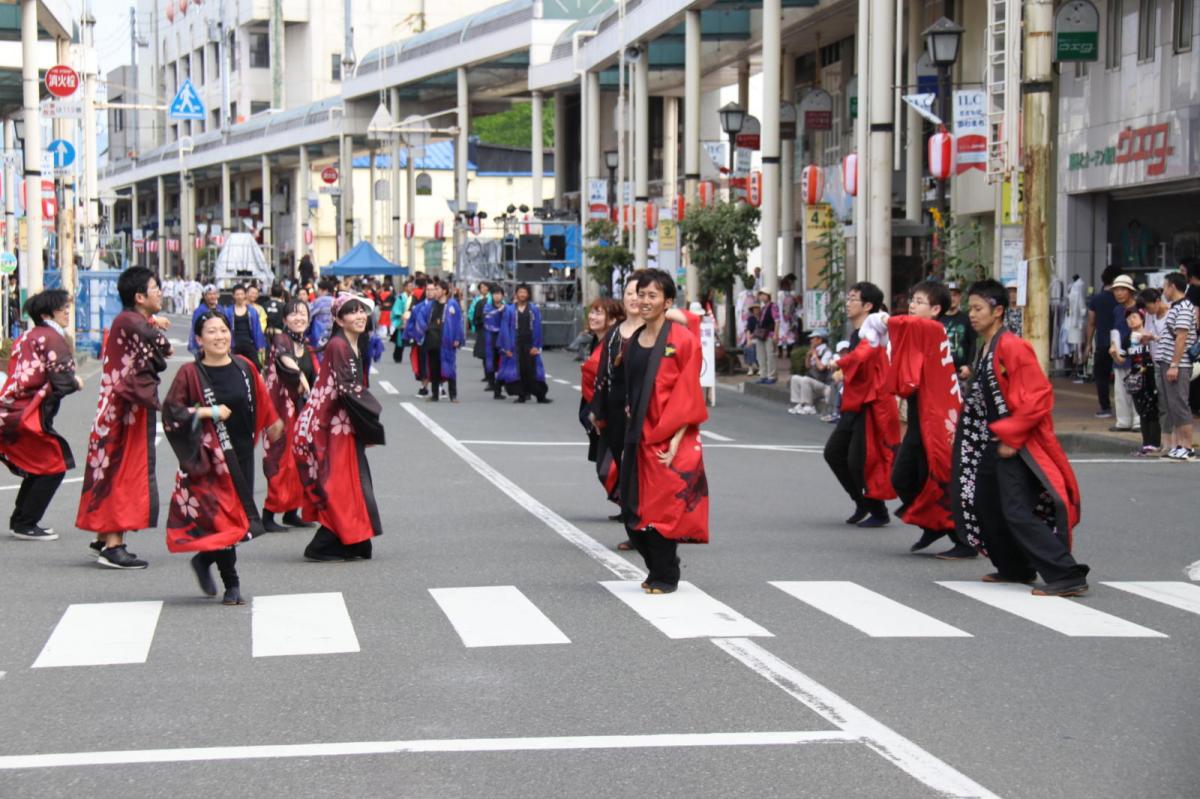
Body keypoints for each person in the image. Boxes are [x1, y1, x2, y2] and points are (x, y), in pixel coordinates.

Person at [951, 279, 1088, 596]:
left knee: (1015, 509)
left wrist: (1013, 436)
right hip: (994, 439)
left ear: (998, 311)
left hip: (1017, 441)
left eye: (978, 308)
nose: (972, 314)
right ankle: (1014, 567)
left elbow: (1038, 394)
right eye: (971, 308)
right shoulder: (986, 345)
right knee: (984, 502)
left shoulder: (1012, 345)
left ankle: (1067, 573)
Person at [163, 311, 283, 605]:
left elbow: (262, 401)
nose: (219, 336)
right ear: (199, 339)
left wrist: (273, 424)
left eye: (223, 330)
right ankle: (233, 584)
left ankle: (205, 560)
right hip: (208, 458)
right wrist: (207, 412)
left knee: (235, 518)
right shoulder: (190, 374)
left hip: (240, 450)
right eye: (212, 332)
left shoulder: (245, 367)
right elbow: (171, 412)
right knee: (224, 519)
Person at [76, 267, 173, 569]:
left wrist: (152, 321)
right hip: (123, 413)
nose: (160, 292)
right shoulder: (133, 322)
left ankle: (104, 536)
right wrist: (155, 324)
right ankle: (114, 545)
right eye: (155, 288)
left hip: (116, 409)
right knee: (123, 473)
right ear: (140, 296)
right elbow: (163, 348)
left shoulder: (127, 320)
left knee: (110, 472)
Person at [618, 270, 707, 593]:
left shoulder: (682, 341)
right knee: (631, 509)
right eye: (640, 294)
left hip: (669, 437)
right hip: (636, 434)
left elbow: (688, 395)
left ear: (668, 303)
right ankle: (659, 567)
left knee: (661, 510)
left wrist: (676, 440)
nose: (643, 301)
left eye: (652, 296)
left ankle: (665, 574)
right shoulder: (634, 340)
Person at [886, 281, 974, 559]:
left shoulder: (932, 329)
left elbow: (896, 324)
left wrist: (881, 319)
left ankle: (962, 539)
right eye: (913, 299)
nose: (912, 305)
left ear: (936, 310)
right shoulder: (922, 331)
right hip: (921, 418)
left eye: (920, 302)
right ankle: (933, 524)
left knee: (932, 479)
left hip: (933, 421)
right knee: (909, 478)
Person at [293, 294, 385, 561]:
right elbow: (348, 389)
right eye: (352, 312)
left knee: (351, 482)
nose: (359, 316)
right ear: (337, 319)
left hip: (342, 421)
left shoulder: (354, 343)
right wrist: (372, 418)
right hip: (331, 424)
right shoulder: (338, 344)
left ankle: (352, 539)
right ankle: (327, 543)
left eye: (362, 311)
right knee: (340, 484)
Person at [0, 289, 83, 540]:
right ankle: (25, 522)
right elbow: (63, 380)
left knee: (41, 465)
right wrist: (76, 382)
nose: (67, 312)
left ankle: (22, 519)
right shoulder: (51, 337)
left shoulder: (28, 335)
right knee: (53, 464)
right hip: (25, 415)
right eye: (62, 309)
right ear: (48, 314)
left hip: (11, 410)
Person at [822, 282, 899, 528]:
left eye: (853, 298)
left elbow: (864, 355)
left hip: (871, 403)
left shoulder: (874, 328)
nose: (848, 302)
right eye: (848, 297)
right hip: (854, 402)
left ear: (868, 305)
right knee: (834, 452)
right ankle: (862, 502)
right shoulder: (857, 332)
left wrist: (840, 364)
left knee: (859, 460)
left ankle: (878, 510)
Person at [262, 298, 318, 532]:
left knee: (301, 461)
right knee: (280, 461)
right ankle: (268, 513)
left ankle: (291, 512)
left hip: (301, 413)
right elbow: (286, 361)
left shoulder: (307, 345)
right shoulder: (280, 340)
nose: (299, 318)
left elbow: (318, 373)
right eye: (293, 314)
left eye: (303, 313)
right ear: (284, 319)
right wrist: (303, 379)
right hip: (280, 412)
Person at [580, 297, 625, 510]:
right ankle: (628, 508)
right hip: (596, 411)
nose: (592, 316)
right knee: (606, 466)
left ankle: (631, 508)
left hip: (610, 413)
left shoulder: (615, 342)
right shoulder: (598, 341)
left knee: (608, 468)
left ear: (613, 318)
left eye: (599, 313)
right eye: (592, 312)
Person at [1157, 272, 1196, 461]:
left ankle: (1187, 446)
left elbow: (1181, 337)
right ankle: (1179, 444)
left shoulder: (1184, 308)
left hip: (1178, 364)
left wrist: (1174, 364)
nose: (1163, 290)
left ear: (1172, 286)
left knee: (1180, 404)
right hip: (1170, 362)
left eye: (1165, 286)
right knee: (1173, 405)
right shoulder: (1176, 307)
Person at [1116, 304, 1160, 456]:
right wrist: (1114, 354)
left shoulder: (1150, 334)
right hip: (1136, 378)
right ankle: (1146, 443)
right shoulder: (1127, 338)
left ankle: (1155, 444)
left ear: (1142, 318)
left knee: (1153, 409)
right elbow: (1122, 359)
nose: (1131, 321)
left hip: (1151, 376)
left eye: (1134, 317)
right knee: (1141, 410)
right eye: (1128, 319)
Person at [411, 281, 466, 403]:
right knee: (434, 369)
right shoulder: (431, 305)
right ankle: (435, 394)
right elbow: (420, 316)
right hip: (432, 340)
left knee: (450, 368)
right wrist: (425, 328)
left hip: (447, 341)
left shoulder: (452, 304)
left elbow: (458, 322)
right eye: (434, 289)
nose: (434, 291)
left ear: (444, 291)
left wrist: (457, 338)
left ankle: (453, 395)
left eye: (437, 289)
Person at [498, 283, 551, 403]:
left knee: (534, 370)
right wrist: (507, 348)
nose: (522, 294)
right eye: (520, 292)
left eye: (525, 292)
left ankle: (540, 395)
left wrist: (536, 346)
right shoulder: (510, 310)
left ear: (528, 294)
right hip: (515, 344)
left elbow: (538, 328)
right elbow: (504, 329)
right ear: (516, 294)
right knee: (518, 370)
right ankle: (521, 395)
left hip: (530, 344)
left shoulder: (534, 309)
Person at [1085, 266, 1122, 419]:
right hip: (1122, 343)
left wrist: (1088, 344)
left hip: (1102, 342)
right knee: (1125, 376)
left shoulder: (1096, 299)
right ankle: (1127, 411)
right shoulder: (1122, 299)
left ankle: (1105, 407)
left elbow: (1091, 322)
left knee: (1102, 376)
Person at [1107, 274, 1141, 433]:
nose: (1118, 293)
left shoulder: (1139, 308)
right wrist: (1113, 347)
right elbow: (1116, 331)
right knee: (1120, 390)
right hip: (1119, 353)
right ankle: (1123, 421)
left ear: (1130, 291)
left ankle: (1138, 420)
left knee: (1136, 387)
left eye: (1122, 289)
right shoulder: (1116, 310)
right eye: (1116, 290)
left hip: (1136, 352)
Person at [788, 328, 834, 415]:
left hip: (824, 384)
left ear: (820, 339)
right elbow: (808, 367)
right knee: (795, 378)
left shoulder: (827, 352)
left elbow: (821, 368)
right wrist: (808, 356)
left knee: (805, 380)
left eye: (813, 338)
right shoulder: (815, 350)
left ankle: (809, 406)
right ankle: (800, 403)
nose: (811, 340)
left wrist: (815, 356)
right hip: (814, 381)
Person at [222, 284, 266, 370]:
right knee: (232, 367)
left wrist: (260, 345)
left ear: (245, 295)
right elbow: (225, 328)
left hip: (249, 343)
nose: (239, 296)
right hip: (234, 344)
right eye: (237, 294)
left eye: (241, 294)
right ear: (233, 296)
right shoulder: (228, 311)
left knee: (256, 367)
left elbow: (257, 329)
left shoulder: (252, 311)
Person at [941, 282, 977, 383]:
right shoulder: (937, 319)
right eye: (949, 295)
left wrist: (969, 366)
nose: (952, 298)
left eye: (955, 295)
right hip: (940, 370)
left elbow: (973, 345)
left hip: (961, 372)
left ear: (960, 297)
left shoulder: (967, 319)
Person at [753, 290, 779, 384]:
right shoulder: (763, 308)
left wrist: (776, 334)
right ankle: (763, 375)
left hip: (769, 334)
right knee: (761, 356)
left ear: (768, 295)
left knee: (770, 356)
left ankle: (771, 376)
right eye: (760, 295)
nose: (761, 297)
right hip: (761, 335)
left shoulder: (773, 306)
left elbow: (777, 320)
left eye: (763, 295)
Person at [484, 285, 506, 397]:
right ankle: (491, 383)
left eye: (499, 294)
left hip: (503, 336)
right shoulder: (488, 307)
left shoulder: (507, 307)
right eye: (495, 294)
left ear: (503, 295)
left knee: (503, 360)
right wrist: (498, 310)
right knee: (491, 360)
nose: (497, 296)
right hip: (491, 336)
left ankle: (502, 384)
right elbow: (487, 317)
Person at [188, 284, 221, 355]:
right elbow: (195, 329)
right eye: (209, 294)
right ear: (204, 296)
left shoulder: (221, 309)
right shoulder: (199, 311)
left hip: (218, 343)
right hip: (203, 345)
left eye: (214, 294)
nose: (212, 296)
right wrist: (199, 345)